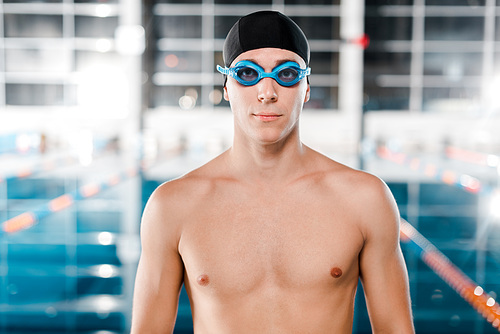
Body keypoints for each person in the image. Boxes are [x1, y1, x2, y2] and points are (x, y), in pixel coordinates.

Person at [131, 10, 414, 333]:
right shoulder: (172, 205)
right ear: (226, 87)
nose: (267, 92)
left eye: (288, 74)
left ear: (306, 88)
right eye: (248, 74)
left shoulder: (364, 199)